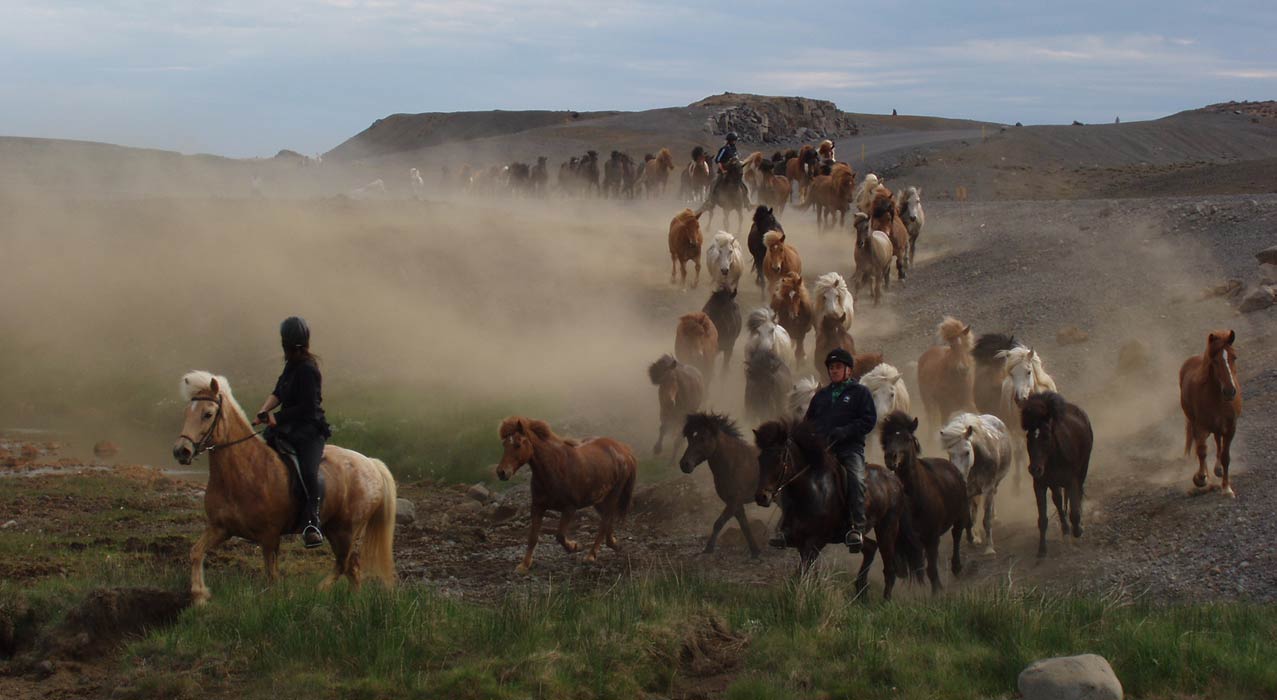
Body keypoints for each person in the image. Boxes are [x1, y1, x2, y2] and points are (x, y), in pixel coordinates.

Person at [784, 348, 878, 552]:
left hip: (849, 449)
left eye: (838, 367)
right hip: (822, 450)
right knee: (792, 474)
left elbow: (869, 420)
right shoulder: (821, 396)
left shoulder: (860, 393)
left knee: (856, 478)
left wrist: (845, 431)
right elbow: (808, 421)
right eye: (831, 368)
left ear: (848, 370)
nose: (834, 371)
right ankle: (786, 526)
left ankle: (856, 527)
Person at [255, 316, 331, 548]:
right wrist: (263, 411)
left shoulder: (309, 370)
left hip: (309, 430)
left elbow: (307, 407)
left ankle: (312, 523)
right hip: (288, 428)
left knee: (309, 473)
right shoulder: (291, 365)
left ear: (287, 343)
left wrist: (276, 418)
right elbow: (278, 391)